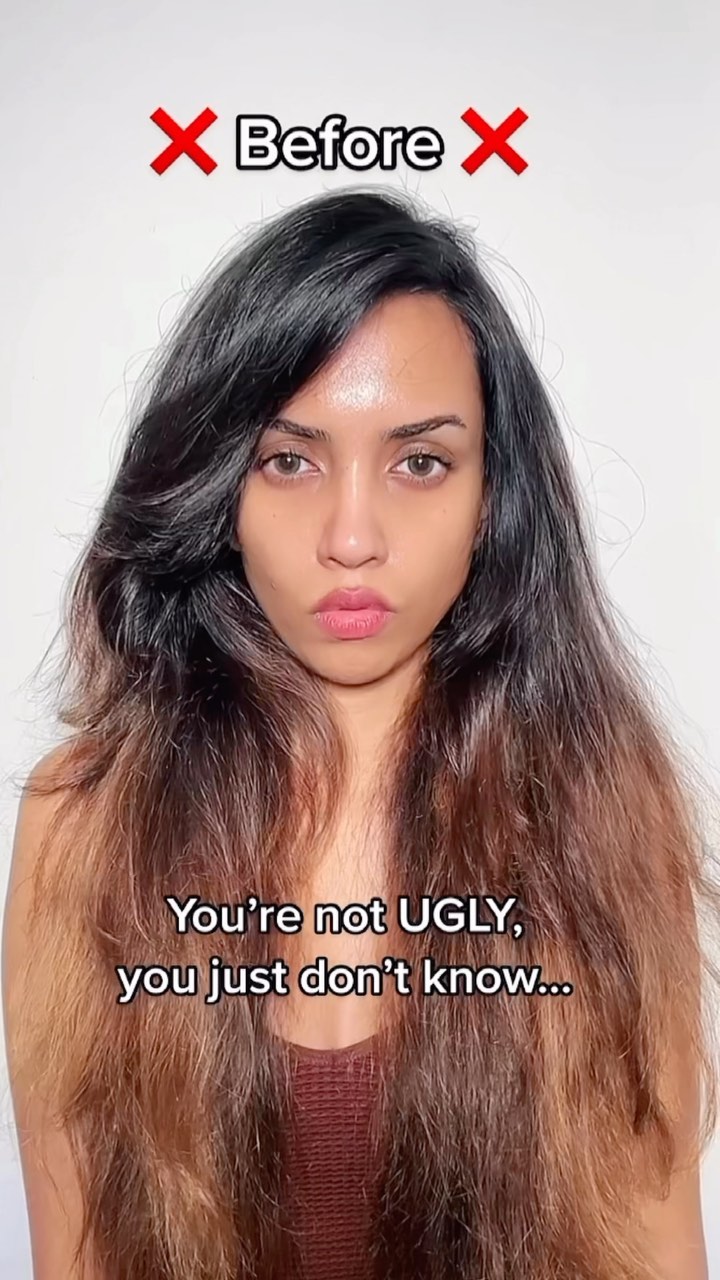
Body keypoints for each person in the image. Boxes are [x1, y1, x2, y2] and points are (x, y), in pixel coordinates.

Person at [2, 186, 718, 1280]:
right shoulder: (84, 825)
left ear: (492, 497)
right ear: (218, 488)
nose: (351, 536)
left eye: (419, 461)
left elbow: (656, 1255)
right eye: (289, 460)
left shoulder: (597, 811)